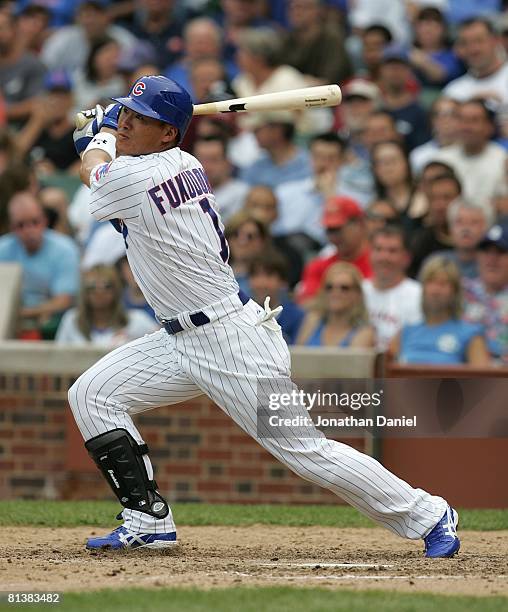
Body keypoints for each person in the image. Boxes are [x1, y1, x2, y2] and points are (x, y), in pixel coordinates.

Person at [67, 74, 460, 557]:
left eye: (139, 118)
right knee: (92, 393)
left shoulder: (142, 174)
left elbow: (93, 171)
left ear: (168, 133)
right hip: (178, 338)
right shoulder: (181, 160)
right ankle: (147, 519)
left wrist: (99, 135)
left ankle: (429, 513)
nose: (127, 121)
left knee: (305, 452)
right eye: (125, 111)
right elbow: (106, 168)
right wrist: (111, 133)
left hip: (228, 340)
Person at [0, 191, 79, 339]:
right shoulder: (3, 249)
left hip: (52, 325)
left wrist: (20, 314)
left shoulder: (65, 249)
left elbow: (63, 301)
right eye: (21, 225)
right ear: (12, 227)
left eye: (35, 222)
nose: (29, 230)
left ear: (44, 221)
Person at [391, 256, 490, 365]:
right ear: (423, 288)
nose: (435, 290)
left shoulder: (470, 334)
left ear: (455, 291)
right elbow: (386, 372)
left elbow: (484, 379)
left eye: (443, 284)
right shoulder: (406, 332)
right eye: (430, 282)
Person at [433, 99, 507, 213]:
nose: (466, 127)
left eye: (474, 120)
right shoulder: (442, 159)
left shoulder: (503, 160)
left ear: (489, 126)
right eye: (462, 120)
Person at [56, 265, 158, 346]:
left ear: (116, 290)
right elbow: (58, 359)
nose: (99, 292)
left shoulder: (137, 320)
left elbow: (162, 345)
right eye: (92, 287)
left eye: (107, 286)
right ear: (84, 292)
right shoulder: (71, 319)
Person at [296, 195, 372, 304]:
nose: (333, 237)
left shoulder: (381, 263)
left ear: (359, 224)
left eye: (337, 229)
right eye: (329, 230)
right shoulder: (318, 267)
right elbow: (307, 305)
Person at [363, 225, 422, 351]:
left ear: (406, 258)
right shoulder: (354, 291)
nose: (384, 257)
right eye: (378, 249)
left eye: (392, 251)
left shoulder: (420, 295)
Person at [297, 262, 376, 348]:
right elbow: (297, 357)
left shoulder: (364, 333)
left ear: (357, 294)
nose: (335, 293)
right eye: (329, 287)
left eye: (344, 288)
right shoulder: (312, 321)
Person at [463, 223, 508, 364]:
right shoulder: (460, 291)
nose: (491, 259)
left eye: (500, 252)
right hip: (462, 372)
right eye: (486, 251)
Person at [378, 43, 431, 151]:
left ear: (409, 71)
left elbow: (423, 148)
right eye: (390, 67)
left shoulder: (420, 111)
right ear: (381, 71)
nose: (395, 71)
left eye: (400, 67)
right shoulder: (375, 107)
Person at [239, 111, 311, 190]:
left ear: (277, 130)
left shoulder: (310, 164)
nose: (253, 133)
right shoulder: (255, 167)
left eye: (257, 129)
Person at [408, 172, 461, 277]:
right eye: (434, 199)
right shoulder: (418, 242)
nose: (440, 205)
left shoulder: (472, 241)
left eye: (447, 198)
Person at [425, 199, 492, 280]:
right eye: (459, 222)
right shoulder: (435, 263)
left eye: (474, 222)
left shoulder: (494, 266)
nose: (466, 228)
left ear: (487, 229)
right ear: (450, 229)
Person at [248, 249, 304, 345]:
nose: (261, 283)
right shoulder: (242, 313)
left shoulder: (297, 317)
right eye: (255, 275)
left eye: (268, 275)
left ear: (283, 282)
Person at [0, 9, 46, 124]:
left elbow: (36, 104)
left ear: (14, 30)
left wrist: (4, 111)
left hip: (17, 130)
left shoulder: (33, 65)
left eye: (1, 28)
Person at [193, 135, 249, 222]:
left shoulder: (243, 194)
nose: (206, 167)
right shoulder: (185, 194)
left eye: (213, 160)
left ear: (227, 163)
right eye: (201, 160)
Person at [409, 97, 460, 175]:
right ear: (432, 120)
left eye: (452, 114)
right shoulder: (418, 155)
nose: (446, 120)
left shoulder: (470, 151)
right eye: (439, 114)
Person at [224, 210, 269, 295]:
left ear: (262, 241)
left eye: (250, 236)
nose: (242, 241)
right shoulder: (215, 271)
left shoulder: (272, 277)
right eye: (236, 234)